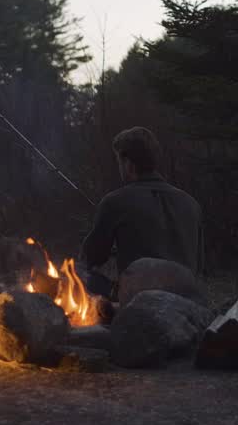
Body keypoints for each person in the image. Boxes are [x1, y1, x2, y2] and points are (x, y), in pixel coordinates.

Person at [79, 127, 203, 298]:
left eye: (119, 162)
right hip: (187, 299)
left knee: (77, 274)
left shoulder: (114, 201)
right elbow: (198, 264)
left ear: (129, 165)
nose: (120, 168)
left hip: (140, 301)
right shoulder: (192, 204)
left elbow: (90, 258)